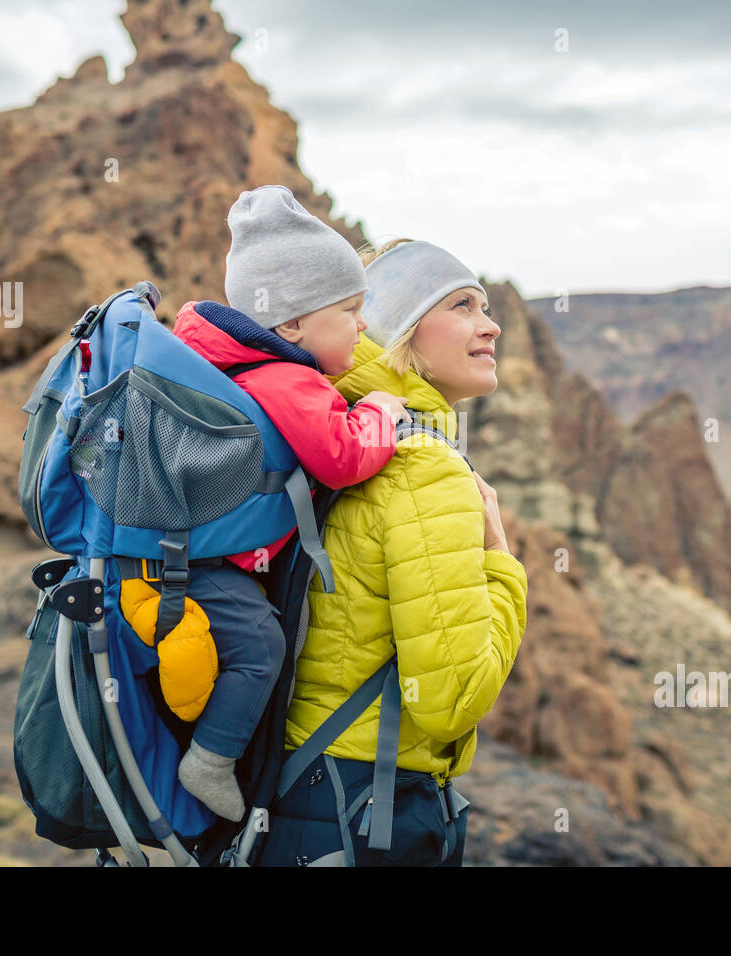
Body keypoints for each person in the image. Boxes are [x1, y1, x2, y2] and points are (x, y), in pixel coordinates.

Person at [255, 238, 529, 866]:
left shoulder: (343, 436)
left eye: (485, 306)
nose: (490, 326)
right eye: (461, 305)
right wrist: (504, 563)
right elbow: (452, 700)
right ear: (401, 330)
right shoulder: (425, 468)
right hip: (367, 808)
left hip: (297, 792)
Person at [165, 186, 410, 821]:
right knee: (263, 648)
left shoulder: (243, 365)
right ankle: (210, 762)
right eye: (349, 309)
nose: (362, 324)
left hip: (190, 558)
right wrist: (382, 410)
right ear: (293, 324)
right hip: (204, 570)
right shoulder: (288, 379)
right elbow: (342, 458)